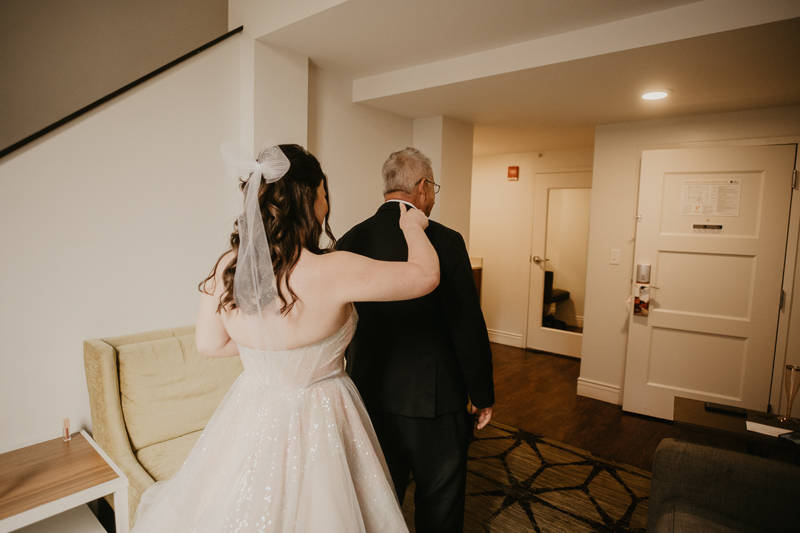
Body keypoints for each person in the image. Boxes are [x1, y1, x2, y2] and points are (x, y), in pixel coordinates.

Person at [130, 143, 440, 532]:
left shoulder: (228, 266)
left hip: (253, 409)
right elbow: (425, 275)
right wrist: (412, 226)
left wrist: (267, 356)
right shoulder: (334, 269)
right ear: (310, 199)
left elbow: (210, 344)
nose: (327, 202)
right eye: (324, 193)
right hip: (324, 413)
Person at [337, 147, 495, 533]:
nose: (434, 196)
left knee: (377, 499)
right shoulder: (445, 239)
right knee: (439, 500)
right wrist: (483, 393)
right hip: (435, 399)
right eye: (434, 187)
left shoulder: (349, 241)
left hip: (369, 394)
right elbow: (466, 324)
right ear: (421, 188)